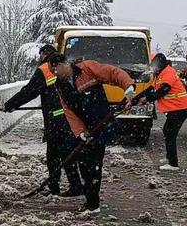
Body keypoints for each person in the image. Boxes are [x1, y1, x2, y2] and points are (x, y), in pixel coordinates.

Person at [47, 53, 136, 213]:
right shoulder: (60, 85)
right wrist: (80, 131)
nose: (54, 72)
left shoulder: (86, 68)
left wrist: (128, 86)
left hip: (100, 124)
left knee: (94, 163)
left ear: (62, 63)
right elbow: (69, 111)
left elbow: (113, 73)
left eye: (55, 68)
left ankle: (93, 203)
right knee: (81, 160)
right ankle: (89, 197)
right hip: (85, 127)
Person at [3, 45, 84, 197]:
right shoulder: (66, 65)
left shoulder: (45, 69)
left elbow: (29, 91)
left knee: (53, 155)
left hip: (56, 118)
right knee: (67, 152)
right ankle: (75, 184)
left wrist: (10, 105)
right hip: (69, 117)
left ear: (43, 56)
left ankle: (56, 187)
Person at [138, 54, 187, 171]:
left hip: (180, 108)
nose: (154, 69)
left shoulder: (168, 72)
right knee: (167, 131)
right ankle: (170, 157)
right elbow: (150, 89)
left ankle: (173, 164)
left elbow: (164, 90)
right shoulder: (160, 74)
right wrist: (135, 99)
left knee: (170, 133)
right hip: (176, 108)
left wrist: (147, 99)